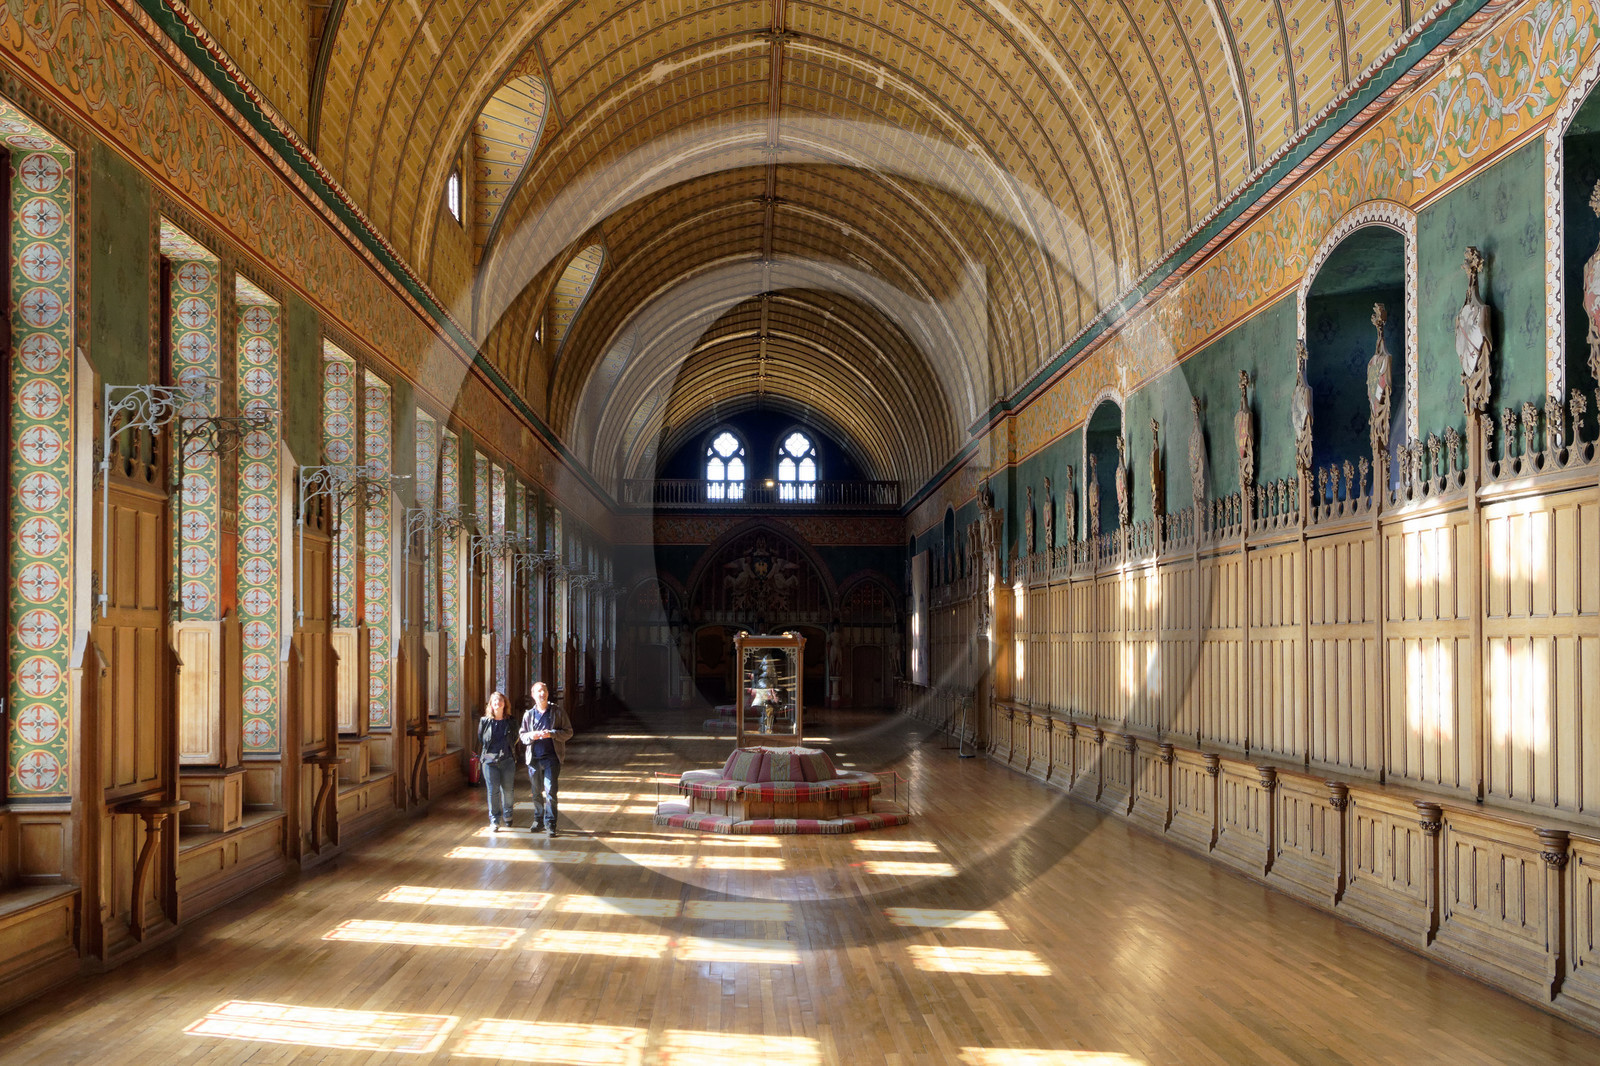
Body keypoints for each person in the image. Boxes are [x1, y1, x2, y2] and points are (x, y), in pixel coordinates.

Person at [520, 681, 573, 836]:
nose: (541, 694)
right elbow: (522, 736)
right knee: (536, 792)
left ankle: (551, 823)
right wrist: (532, 735)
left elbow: (569, 732)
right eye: (538, 691)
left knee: (550, 792)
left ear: (548, 693)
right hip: (534, 759)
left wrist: (552, 734)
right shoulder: (529, 715)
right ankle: (538, 820)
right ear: (533, 695)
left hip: (552, 758)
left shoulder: (557, 712)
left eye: (544, 690)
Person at [477, 691, 517, 831]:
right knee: (493, 791)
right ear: (491, 704)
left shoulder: (511, 721)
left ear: (504, 703)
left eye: (500, 700)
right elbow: (481, 739)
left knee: (508, 790)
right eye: (494, 701)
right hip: (489, 761)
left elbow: (515, 738)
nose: (497, 703)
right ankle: (494, 819)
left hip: (507, 760)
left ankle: (508, 814)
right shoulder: (485, 721)